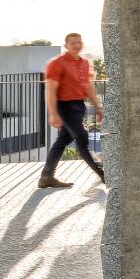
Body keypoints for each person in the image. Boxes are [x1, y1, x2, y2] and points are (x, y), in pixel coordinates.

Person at [37, 31, 104, 189]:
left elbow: (87, 86)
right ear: (66, 45)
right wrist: (53, 113)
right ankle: (103, 174)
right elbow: (51, 90)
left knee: (63, 141)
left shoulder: (84, 62)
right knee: (82, 138)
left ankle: (46, 177)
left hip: (78, 106)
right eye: (73, 43)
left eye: (79, 42)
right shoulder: (56, 63)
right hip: (64, 106)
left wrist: (97, 107)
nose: (76, 45)